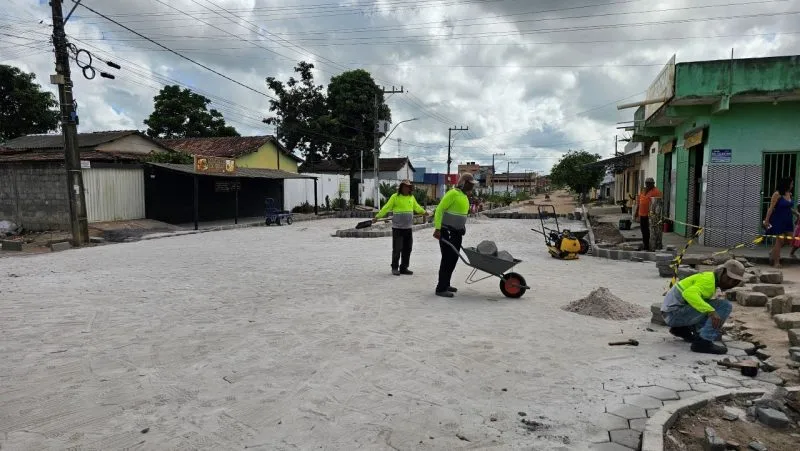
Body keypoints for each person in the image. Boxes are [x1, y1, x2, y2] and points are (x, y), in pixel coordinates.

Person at [660, 259, 745, 354]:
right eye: (728, 278)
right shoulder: (708, 283)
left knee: (705, 303)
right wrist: (710, 311)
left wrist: (708, 309)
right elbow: (688, 294)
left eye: (735, 282)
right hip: (673, 315)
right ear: (722, 272)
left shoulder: (709, 278)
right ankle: (703, 342)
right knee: (724, 306)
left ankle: (682, 330)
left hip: (671, 313)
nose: (730, 283)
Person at [433, 173, 474, 298]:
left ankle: (446, 284)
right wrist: (438, 228)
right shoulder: (452, 194)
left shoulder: (463, 196)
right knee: (447, 259)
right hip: (447, 231)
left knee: (453, 259)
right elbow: (439, 210)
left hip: (457, 232)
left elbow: (461, 214)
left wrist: (462, 227)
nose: (472, 187)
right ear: (464, 183)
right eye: (470, 184)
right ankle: (441, 288)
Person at [373, 180, 427, 276]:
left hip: (408, 228)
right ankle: (394, 267)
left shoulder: (411, 197)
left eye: (408, 187)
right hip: (397, 228)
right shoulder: (395, 197)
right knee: (397, 248)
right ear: (401, 187)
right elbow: (386, 207)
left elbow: (417, 207)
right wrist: (378, 216)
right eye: (405, 186)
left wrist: (424, 212)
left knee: (407, 248)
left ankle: (404, 267)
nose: (407, 188)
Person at [763, 177, 794, 268]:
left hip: (788, 220)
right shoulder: (777, 194)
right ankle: (776, 262)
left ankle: (773, 252)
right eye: (791, 184)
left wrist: (797, 214)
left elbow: (788, 207)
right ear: (786, 184)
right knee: (779, 240)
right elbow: (771, 208)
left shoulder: (789, 194)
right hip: (778, 219)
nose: (792, 185)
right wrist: (767, 220)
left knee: (789, 239)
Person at [634, 177, 662, 251]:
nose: (647, 185)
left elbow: (657, 205)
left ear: (653, 184)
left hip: (650, 215)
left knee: (651, 231)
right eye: (646, 183)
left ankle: (652, 245)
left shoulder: (656, 192)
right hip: (642, 214)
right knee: (643, 230)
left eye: (649, 183)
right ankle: (645, 244)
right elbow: (640, 202)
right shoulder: (643, 190)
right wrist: (636, 212)